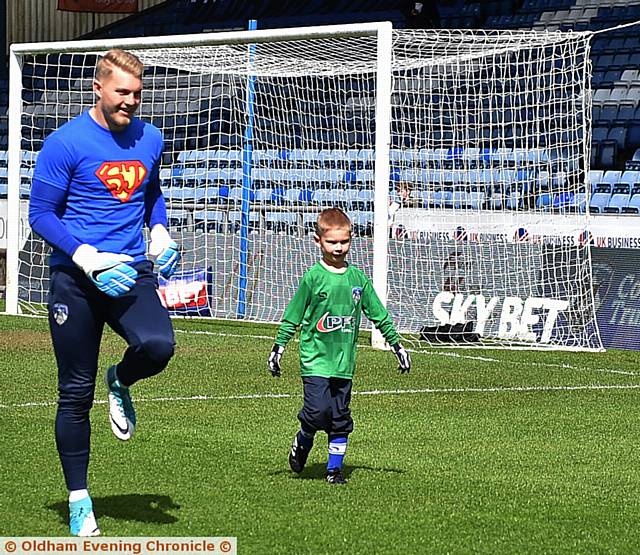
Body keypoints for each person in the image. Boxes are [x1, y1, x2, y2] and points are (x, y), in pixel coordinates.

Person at [28, 49, 180, 536]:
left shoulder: (150, 137)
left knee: (159, 346)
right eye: (122, 92)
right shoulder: (64, 142)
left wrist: (159, 231)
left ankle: (122, 380)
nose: (130, 102)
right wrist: (86, 256)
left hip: (130, 274)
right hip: (76, 281)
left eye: (137, 93)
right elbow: (41, 214)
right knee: (74, 393)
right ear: (98, 88)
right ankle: (78, 499)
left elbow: (150, 193)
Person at [267, 208, 411, 485]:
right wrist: (278, 347)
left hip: (344, 363)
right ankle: (304, 436)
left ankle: (334, 470)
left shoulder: (357, 279)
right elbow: (294, 315)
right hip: (316, 359)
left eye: (344, 242)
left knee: (340, 418)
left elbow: (377, 313)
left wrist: (397, 345)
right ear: (317, 241)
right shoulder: (313, 278)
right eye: (332, 242)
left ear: (352, 239)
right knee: (317, 412)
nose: (338, 247)